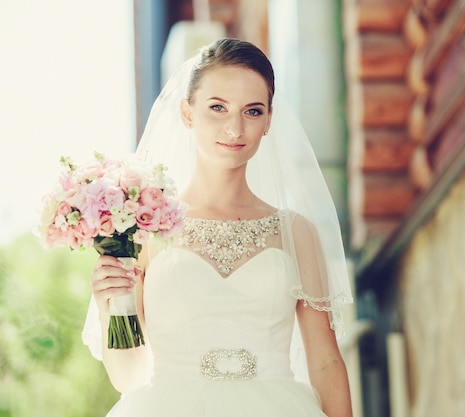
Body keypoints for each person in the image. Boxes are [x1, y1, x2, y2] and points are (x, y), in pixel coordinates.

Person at [85, 38, 354, 416]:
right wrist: (109, 307)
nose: (235, 127)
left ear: (269, 121)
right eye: (217, 107)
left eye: (253, 111)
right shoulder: (145, 231)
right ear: (187, 112)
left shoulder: (296, 231)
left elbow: (325, 362)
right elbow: (129, 378)